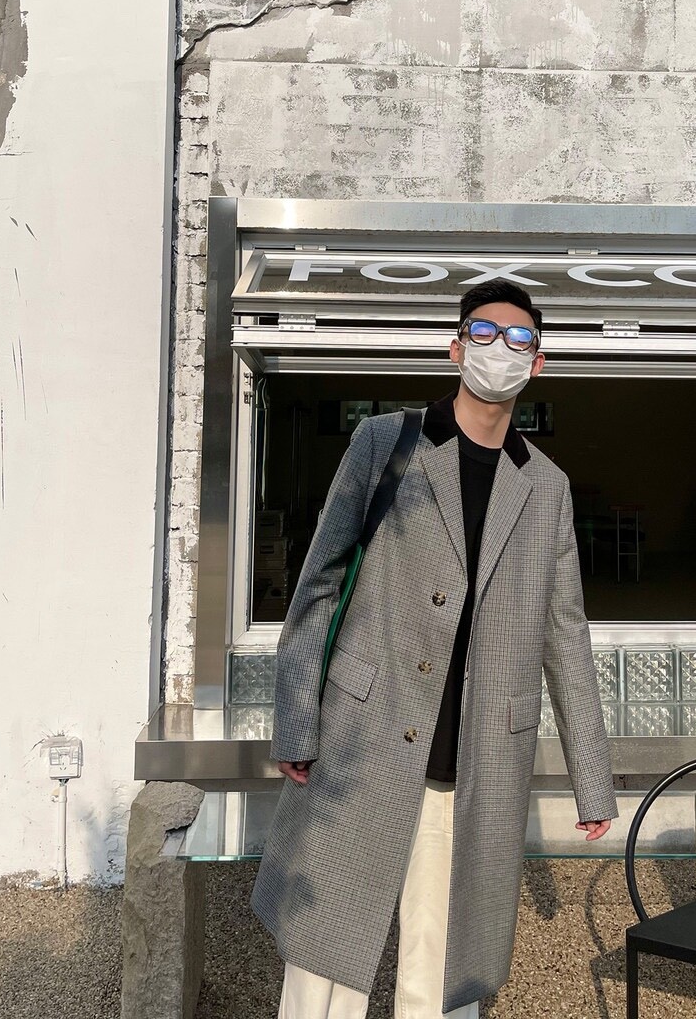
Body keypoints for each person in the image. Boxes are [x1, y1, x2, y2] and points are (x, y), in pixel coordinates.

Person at [251, 281, 617, 1019]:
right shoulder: (386, 443)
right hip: (363, 741)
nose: (499, 349)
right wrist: (295, 720)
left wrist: (593, 779)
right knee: (324, 959)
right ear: (455, 349)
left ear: (537, 363)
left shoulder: (547, 487)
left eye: (518, 339)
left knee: (441, 965)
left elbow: (565, 632)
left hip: (476, 760)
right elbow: (318, 583)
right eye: (483, 333)